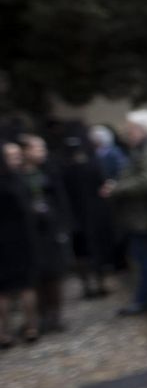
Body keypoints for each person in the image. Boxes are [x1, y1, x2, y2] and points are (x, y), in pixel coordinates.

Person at [102, 110, 147, 317]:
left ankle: (144, 299)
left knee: (146, 259)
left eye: (131, 129)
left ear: (144, 129)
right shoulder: (143, 149)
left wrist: (117, 188)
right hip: (137, 215)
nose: (127, 133)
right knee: (141, 257)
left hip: (145, 214)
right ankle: (143, 296)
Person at [16, 134, 75, 335]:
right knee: (36, 274)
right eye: (37, 149)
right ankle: (39, 316)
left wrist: (63, 225)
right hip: (29, 233)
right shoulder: (16, 174)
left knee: (54, 272)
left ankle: (54, 315)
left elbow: (61, 199)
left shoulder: (49, 170)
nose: (42, 153)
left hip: (51, 229)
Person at [0, 142, 39, 346]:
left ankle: (4, 332)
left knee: (4, 290)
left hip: (6, 240)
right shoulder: (18, 180)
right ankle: (31, 327)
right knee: (25, 286)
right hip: (20, 238)